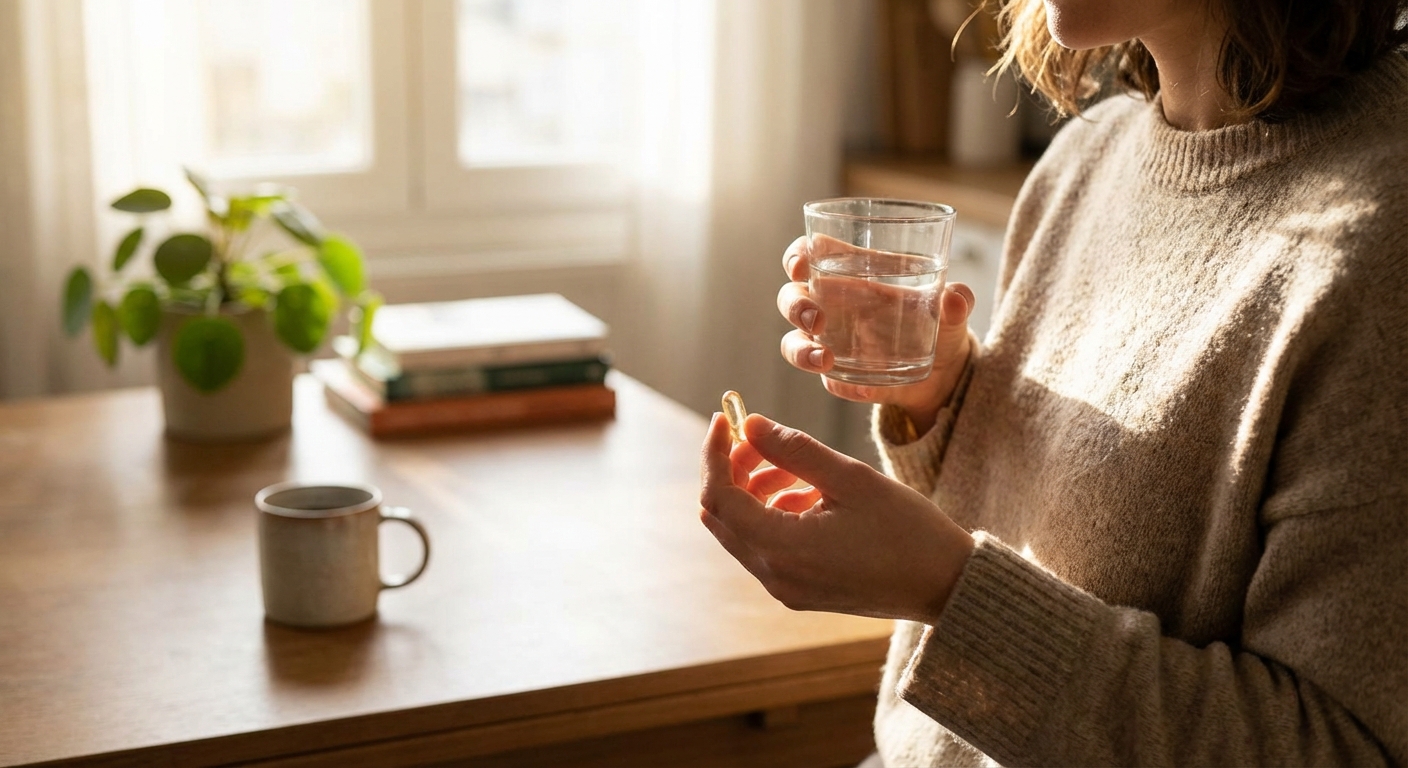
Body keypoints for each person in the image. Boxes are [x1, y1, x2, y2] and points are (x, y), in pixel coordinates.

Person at [697, 0, 1408, 765]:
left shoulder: (1383, 240)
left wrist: (948, 591)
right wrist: (945, 399)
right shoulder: (1086, 156)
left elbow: (1347, 747)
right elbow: (1046, 525)